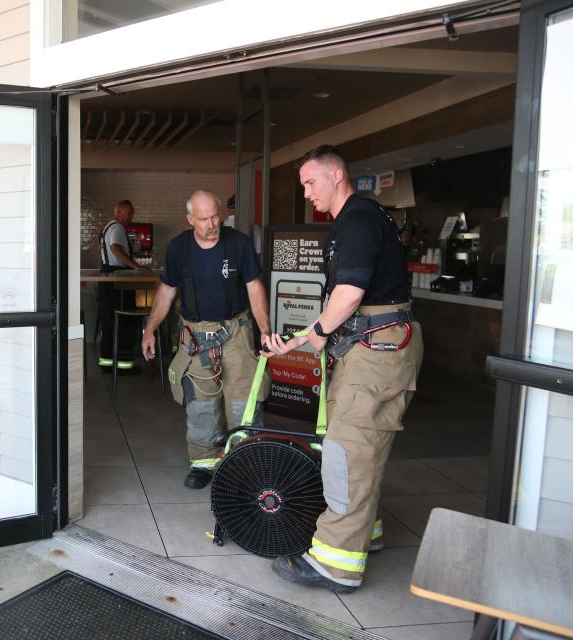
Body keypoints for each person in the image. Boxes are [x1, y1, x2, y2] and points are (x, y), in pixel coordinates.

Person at [263, 145, 423, 594]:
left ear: (337, 175)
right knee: (356, 447)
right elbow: (341, 303)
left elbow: (350, 294)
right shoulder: (358, 219)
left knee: (349, 449)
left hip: (378, 351)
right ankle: (362, 532)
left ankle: (335, 564)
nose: (307, 193)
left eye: (311, 182)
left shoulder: (356, 219)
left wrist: (314, 334)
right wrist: (300, 339)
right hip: (370, 346)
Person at [141, 190, 271, 489]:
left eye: (215, 216)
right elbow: (167, 291)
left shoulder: (239, 243)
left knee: (243, 402)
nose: (212, 224)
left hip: (237, 332)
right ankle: (203, 463)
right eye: (204, 219)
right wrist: (150, 329)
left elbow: (254, 287)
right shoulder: (178, 249)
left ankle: (245, 464)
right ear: (190, 219)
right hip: (196, 336)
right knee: (200, 404)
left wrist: (264, 329)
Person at [98, 200, 149, 370]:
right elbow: (115, 249)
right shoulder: (118, 228)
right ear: (119, 212)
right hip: (119, 283)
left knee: (109, 321)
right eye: (129, 213)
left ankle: (106, 363)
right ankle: (124, 366)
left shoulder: (107, 227)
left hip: (108, 281)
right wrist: (136, 266)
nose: (131, 217)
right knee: (126, 321)